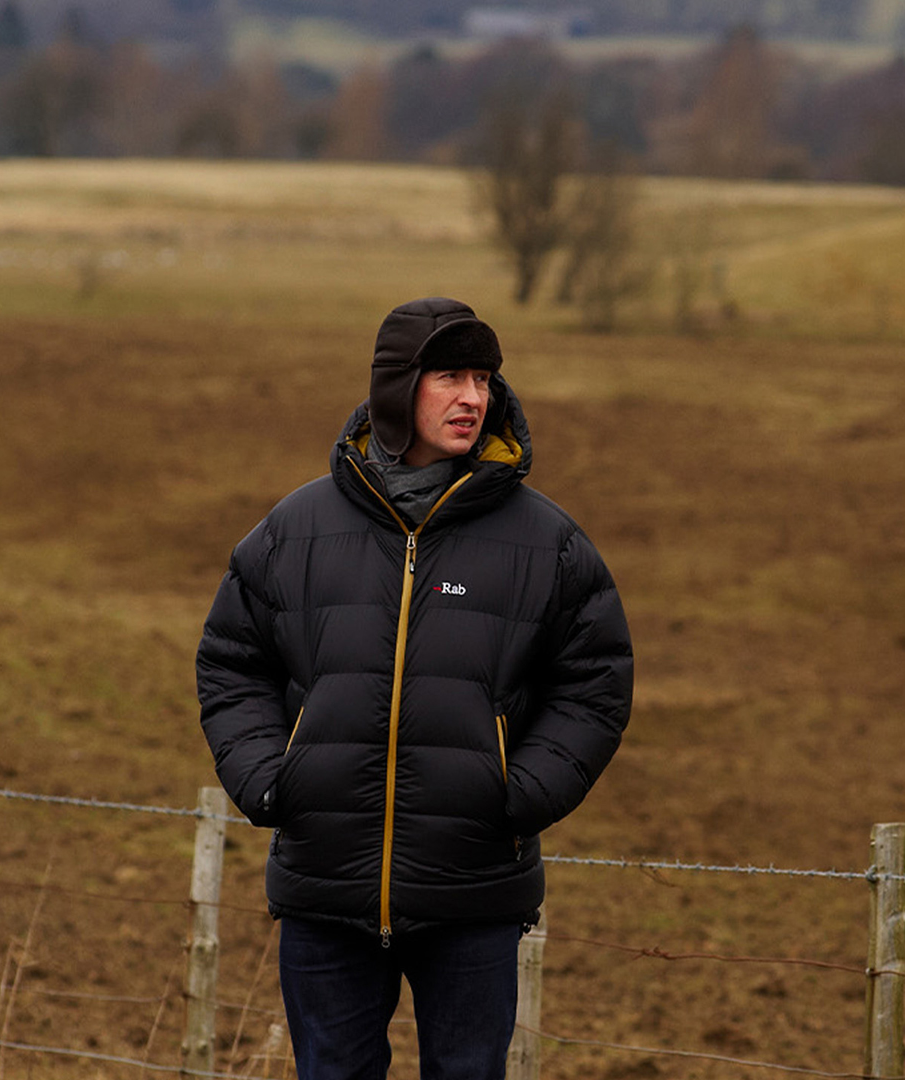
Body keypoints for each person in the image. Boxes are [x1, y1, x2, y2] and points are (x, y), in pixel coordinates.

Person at [196, 296, 633, 1080]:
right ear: (399, 387)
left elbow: (595, 683)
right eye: (451, 377)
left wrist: (519, 794)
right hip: (326, 889)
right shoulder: (295, 530)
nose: (474, 397)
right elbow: (232, 661)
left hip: (474, 893)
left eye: (484, 378)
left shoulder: (548, 543)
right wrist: (271, 781)